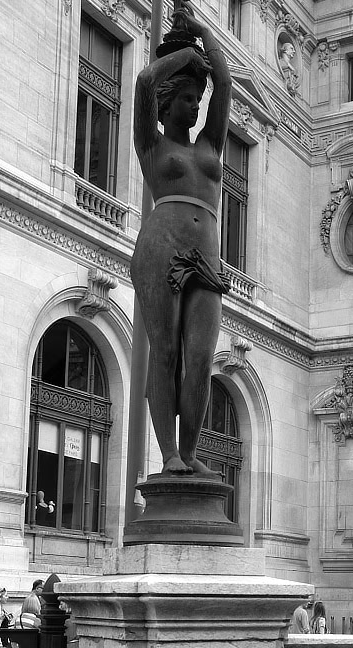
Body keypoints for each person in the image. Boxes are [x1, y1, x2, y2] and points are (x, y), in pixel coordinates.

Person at [131, 2, 232, 477]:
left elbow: (226, 86)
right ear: (170, 102)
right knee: (165, 350)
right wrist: (185, 58)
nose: (196, 106)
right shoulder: (153, 145)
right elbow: (144, 83)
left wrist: (201, 36)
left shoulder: (209, 146)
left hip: (207, 254)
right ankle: (169, 454)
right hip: (161, 246)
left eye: (198, 98)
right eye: (189, 98)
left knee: (201, 356)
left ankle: (189, 453)